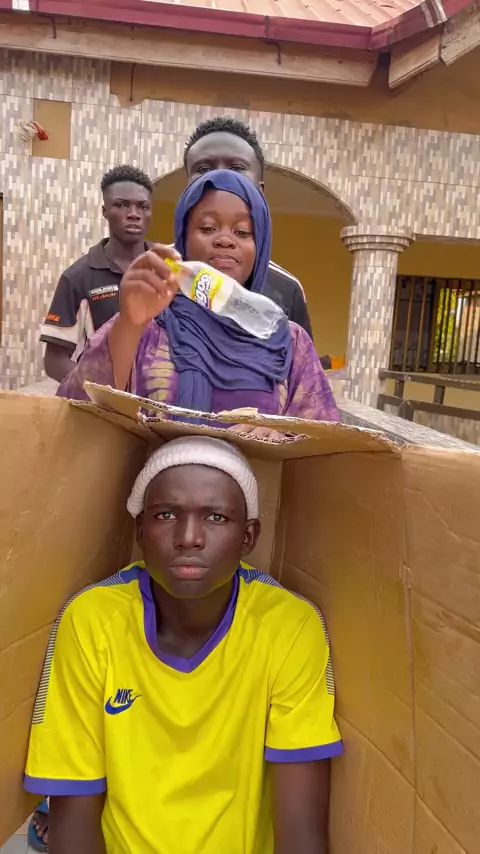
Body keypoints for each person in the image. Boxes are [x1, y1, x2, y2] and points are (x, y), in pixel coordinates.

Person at [24, 436, 342, 853]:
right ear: (140, 530)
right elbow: (75, 810)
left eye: (216, 517)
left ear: (248, 537)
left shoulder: (289, 625)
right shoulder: (92, 620)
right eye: (167, 514)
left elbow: (302, 831)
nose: (189, 537)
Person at [57, 170, 339, 430]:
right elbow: (75, 414)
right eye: (207, 228)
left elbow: (323, 442)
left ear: (260, 246)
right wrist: (129, 325)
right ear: (183, 240)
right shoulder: (147, 327)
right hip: (155, 470)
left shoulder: (290, 343)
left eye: (242, 232)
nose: (225, 240)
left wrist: (279, 437)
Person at [184, 116, 313, 338]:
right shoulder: (156, 276)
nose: (221, 177)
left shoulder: (286, 290)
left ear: (260, 191)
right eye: (204, 168)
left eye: (237, 168)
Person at [40, 165, 154, 383]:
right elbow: (54, 360)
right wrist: (95, 392)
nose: (134, 214)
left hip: (162, 397)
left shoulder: (170, 267)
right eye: (121, 205)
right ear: (104, 211)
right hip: (105, 400)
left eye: (143, 206)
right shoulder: (77, 278)